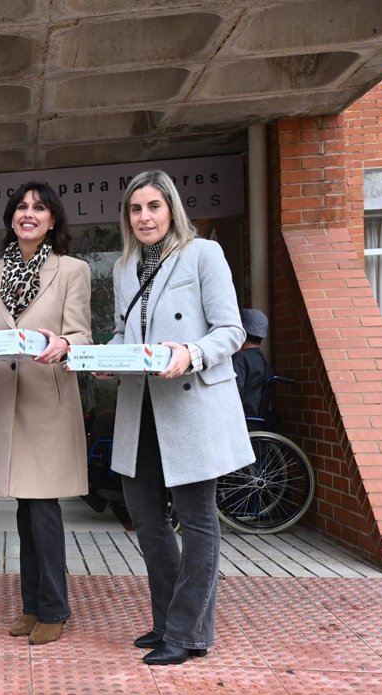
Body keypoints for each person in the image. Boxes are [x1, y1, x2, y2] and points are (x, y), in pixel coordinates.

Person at [108, 170, 254, 666]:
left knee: (196, 521)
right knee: (147, 521)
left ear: (171, 208)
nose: (144, 217)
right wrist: (104, 360)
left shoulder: (203, 254)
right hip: (140, 407)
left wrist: (191, 352)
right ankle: (166, 621)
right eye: (135, 209)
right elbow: (122, 334)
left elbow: (231, 330)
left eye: (153, 206)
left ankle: (188, 632)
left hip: (190, 404)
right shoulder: (123, 267)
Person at [0, 182, 92, 646]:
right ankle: (32, 605)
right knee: (25, 509)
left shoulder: (72, 270)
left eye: (39, 208)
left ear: (52, 219)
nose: (29, 213)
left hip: (47, 402)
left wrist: (64, 344)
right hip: (5, 401)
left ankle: (54, 609)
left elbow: (82, 335)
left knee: (43, 509)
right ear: (11, 217)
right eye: (21, 206)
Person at [232, 308, 272, 420]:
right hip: (259, 419)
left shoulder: (239, 359)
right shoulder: (263, 360)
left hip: (242, 419)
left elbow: (234, 393)